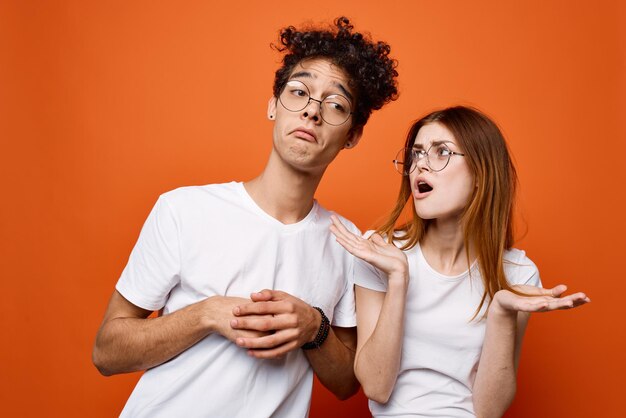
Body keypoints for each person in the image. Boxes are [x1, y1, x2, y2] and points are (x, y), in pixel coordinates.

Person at [92, 17, 398, 417]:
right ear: (273, 106)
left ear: (353, 135)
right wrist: (207, 313)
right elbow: (107, 351)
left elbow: (345, 385)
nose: (311, 112)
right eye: (299, 92)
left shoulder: (347, 241)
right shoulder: (184, 209)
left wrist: (314, 327)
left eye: (335, 104)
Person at [330, 106, 590, 418]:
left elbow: (489, 410)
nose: (420, 166)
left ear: (481, 174)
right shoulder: (381, 251)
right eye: (416, 154)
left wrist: (501, 312)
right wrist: (398, 278)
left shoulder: (518, 272)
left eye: (441, 152)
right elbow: (376, 386)